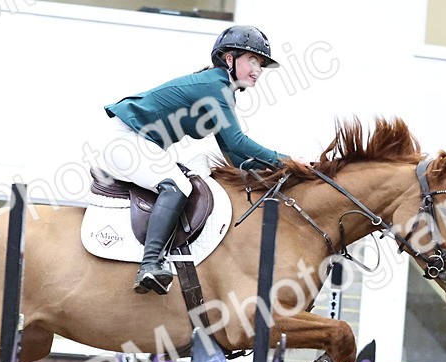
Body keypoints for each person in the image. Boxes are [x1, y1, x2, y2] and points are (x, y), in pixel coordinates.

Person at [93, 25, 306, 295]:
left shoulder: (218, 88)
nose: (258, 70)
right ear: (229, 59)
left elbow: (232, 153)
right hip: (125, 141)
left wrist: (272, 170)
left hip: (137, 142)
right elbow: (239, 142)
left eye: (261, 64)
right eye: (253, 60)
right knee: (179, 186)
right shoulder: (215, 87)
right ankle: (150, 264)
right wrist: (286, 161)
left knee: (190, 175)